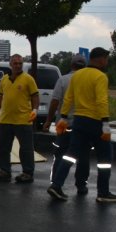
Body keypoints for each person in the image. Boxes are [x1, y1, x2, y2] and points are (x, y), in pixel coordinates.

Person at [47, 47, 116, 203]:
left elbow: (68, 98)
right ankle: (103, 192)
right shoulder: (101, 76)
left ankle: (56, 185)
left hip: (78, 121)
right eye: (106, 59)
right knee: (105, 157)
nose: (107, 62)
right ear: (100, 59)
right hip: (95, 121)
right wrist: (105, 123)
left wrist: (63, 117)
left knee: (70, 154)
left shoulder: (78, 75)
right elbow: (101, 100)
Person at [42, 54, 90, 193]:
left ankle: (56, 182)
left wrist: (48, 121)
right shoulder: (88, 81)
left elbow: (55, 101)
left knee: (61, 154)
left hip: (64, 124)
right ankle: (81, 185)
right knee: (83, 156)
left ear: (71, 65)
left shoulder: (63, 80)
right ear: (84, 66)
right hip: (83, 125)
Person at [0, 54, 39, 183]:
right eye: (15, 63)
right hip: (5, 120)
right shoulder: (4, 79)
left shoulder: (28, 79)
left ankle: (27, 173)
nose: (18, 66)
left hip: (23, 120)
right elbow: (0, 96)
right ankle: (4, 171)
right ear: (10, 64)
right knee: (3, 148)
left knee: (26, 149)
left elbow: (35, 96)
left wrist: (35, 109)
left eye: (20, 63)